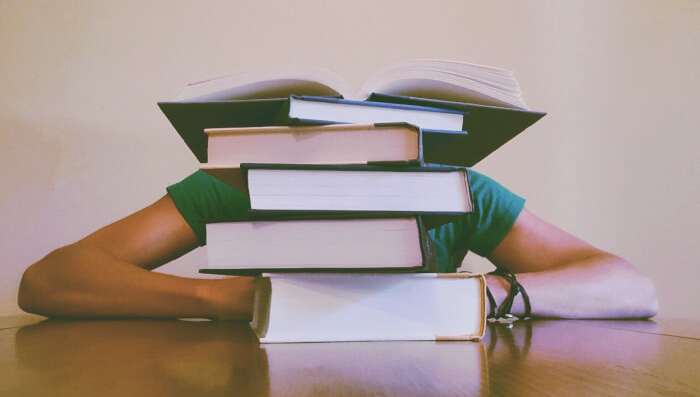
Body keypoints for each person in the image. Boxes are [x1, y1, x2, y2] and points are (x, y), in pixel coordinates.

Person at [17, 169, 658, 321]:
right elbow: (47, 280)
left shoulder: (455, 191)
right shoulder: (238, 183)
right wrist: (237, 299)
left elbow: (632, 286)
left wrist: (491, 293)